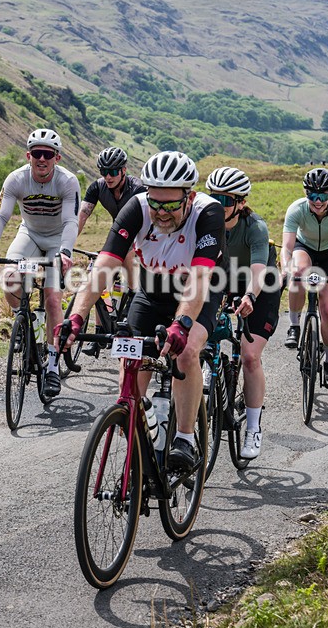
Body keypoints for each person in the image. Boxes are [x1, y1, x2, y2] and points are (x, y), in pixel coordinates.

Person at [58, 151, 226, 471]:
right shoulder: (136, 207)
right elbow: (103, 266)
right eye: (155, 203)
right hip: (152, 292)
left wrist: (181, 323)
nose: (161, 212)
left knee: (186, 351)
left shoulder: (209, 214)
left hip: (198, 292)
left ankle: (185, 439)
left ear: (188, 198)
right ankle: (143, 419)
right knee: (129, 360)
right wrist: (76, 316)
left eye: (170, 205)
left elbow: (201, 278)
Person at [0, 128, 80, 398]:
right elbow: (0, 217)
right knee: (10, 278)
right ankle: (25, 322)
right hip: (30, 234)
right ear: (29, 155)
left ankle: (54, 367)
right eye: (37, 154)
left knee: (53, 298)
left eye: (48, 154)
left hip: (57, 239)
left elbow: (71, 221)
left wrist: (66, 252)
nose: (42, 159)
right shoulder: (16, 179)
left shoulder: (67, 181)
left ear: (57, 157)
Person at [205, 167, 281, 460]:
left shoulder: (255, 227)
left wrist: (250, 296)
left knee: (249, 356)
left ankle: (252, 427)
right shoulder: (205, 222)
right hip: (223, 281)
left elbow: (260, 269)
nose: (217, 205)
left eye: (224, 201)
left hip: (261, 285)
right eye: (213, 198)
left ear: (240, 203)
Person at [282, 168, 328, 389]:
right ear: (306, 194)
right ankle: (294, 326)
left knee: (327, 309)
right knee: (297, 274)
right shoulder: (296, 209)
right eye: (312, 196)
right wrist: (286, 268)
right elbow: (286, 247)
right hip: (305, 248)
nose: (317, 201)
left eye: (322, 196)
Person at [77, 146, 145, 283]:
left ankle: (134, 295)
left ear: (124, 170)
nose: (108, 177)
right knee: (97, 273)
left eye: (113, 172)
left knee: (127, 261)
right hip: (119, 233)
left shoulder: (138, 189)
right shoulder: (97, 187)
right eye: (104, 171)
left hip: (140, 235)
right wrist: (66, 245)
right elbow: (81, 217)